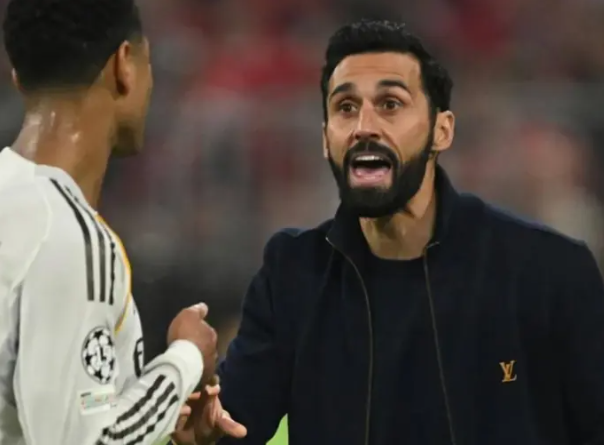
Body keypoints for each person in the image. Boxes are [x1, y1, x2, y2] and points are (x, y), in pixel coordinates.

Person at [173, 19, 604, 445]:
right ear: (325, 138)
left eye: (391, 104)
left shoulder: (546, 272)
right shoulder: (293, 274)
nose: (364, 126)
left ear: (441, 131)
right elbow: (230, 427)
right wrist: (201, 426)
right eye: (345, 107)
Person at [0, 0, 238, 443]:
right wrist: (186, 359)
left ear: (18, 76)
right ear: (124, 64)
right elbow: (89, 438)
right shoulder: (67, 239)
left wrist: (160, 414)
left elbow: (52, 407)